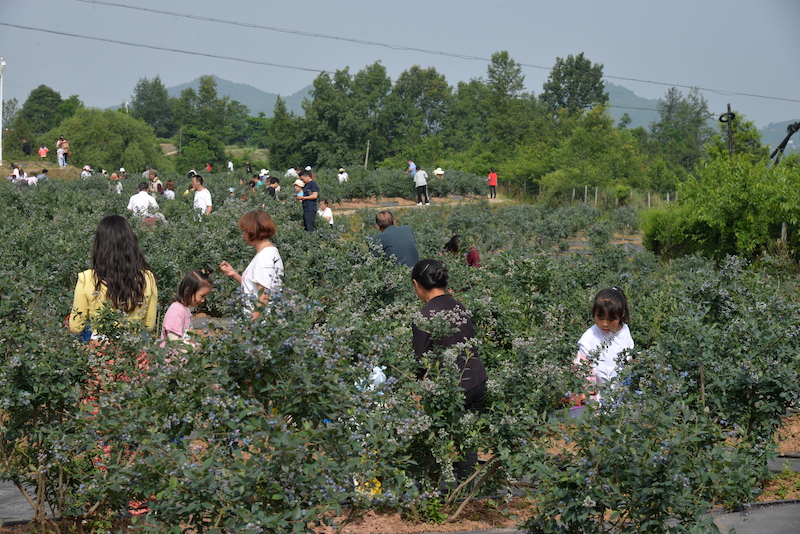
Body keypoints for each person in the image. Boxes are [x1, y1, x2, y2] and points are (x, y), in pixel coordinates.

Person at [410, 259, 488, 481]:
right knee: (467, 441)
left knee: (438, 435)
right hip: (477, 380)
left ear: (416, 284)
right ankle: (466, 491)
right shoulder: (458, 306)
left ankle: (436, 488)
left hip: (455, 388)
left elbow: (420, 361)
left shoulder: (424, 316)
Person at [68, 215, 158, 341]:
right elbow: (149, 326)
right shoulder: (147, 278)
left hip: (101, 351)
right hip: (134, 349)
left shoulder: (87, 278)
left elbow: (76, 327)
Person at [573, 287, 634, 402]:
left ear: (621, 315)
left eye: (611, 320)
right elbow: (583, 364)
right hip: (598, 390)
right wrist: (589, 385)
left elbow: (628, 359)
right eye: (600, 318)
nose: (604, 324)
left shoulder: (625, 331)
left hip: (620, 388)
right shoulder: (590, 337)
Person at [220, 210, 284, 319]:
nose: (243, 235)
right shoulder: (268, 253)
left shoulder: (265, 256)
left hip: (261, 326)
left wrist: (251, 325)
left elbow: (264, 295)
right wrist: (234, 274)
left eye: (244, 231)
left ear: (253, 231)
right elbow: (254, 288)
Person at [160, 269, 212, 347]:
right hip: (173, 358)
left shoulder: (184, 310)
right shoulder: (177, 311)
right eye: (202, 296)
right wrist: (191, 348)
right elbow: (173, 341)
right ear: (188, 291)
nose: (203, 300)